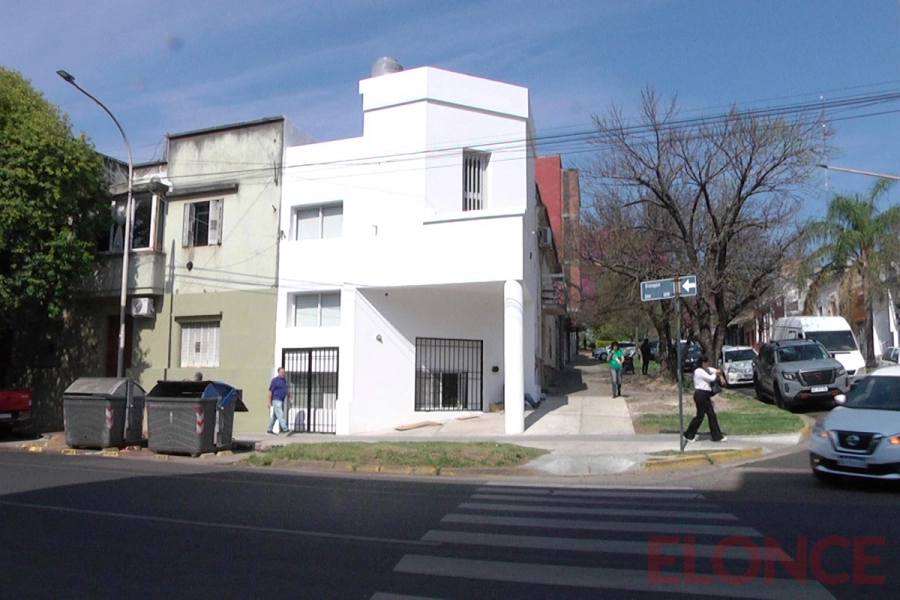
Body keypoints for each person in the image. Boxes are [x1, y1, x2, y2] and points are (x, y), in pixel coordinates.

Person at [684, 355, 727, 443]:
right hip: (701, 395)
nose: (707, 365)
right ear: (703, 363)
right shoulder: (699, 371)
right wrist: (716, 374)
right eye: (706, 363)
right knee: (700, 416)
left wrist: (719, 373)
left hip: (705, 395)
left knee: (712, 415)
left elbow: (715, 370)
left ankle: (717, 436)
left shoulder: (705, 369)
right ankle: (689, 434)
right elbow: (711, 378)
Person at [266, 367, 291, 436]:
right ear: (278, 372)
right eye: (282, 372)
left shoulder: (284, 380)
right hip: (276, 399)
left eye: (284, 372)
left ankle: (269, 429)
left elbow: (285, 389)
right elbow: (270, 391)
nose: (283, 374)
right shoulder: (275, 381)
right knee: (280, 414)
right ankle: (285, 429)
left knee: (275, 416)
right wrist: (269, 401)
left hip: (281, 400)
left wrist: (289, 396)